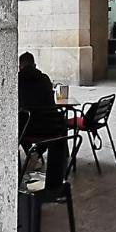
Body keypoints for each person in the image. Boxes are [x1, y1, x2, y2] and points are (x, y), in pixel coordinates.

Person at [18, 51, 68, 188]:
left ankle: (28, 158)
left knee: (16, 128)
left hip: (30, 127)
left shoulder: (17, 80)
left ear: (20, 66)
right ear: (34, 65)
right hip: (52, 126)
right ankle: (37, 153)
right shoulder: (45, 79)